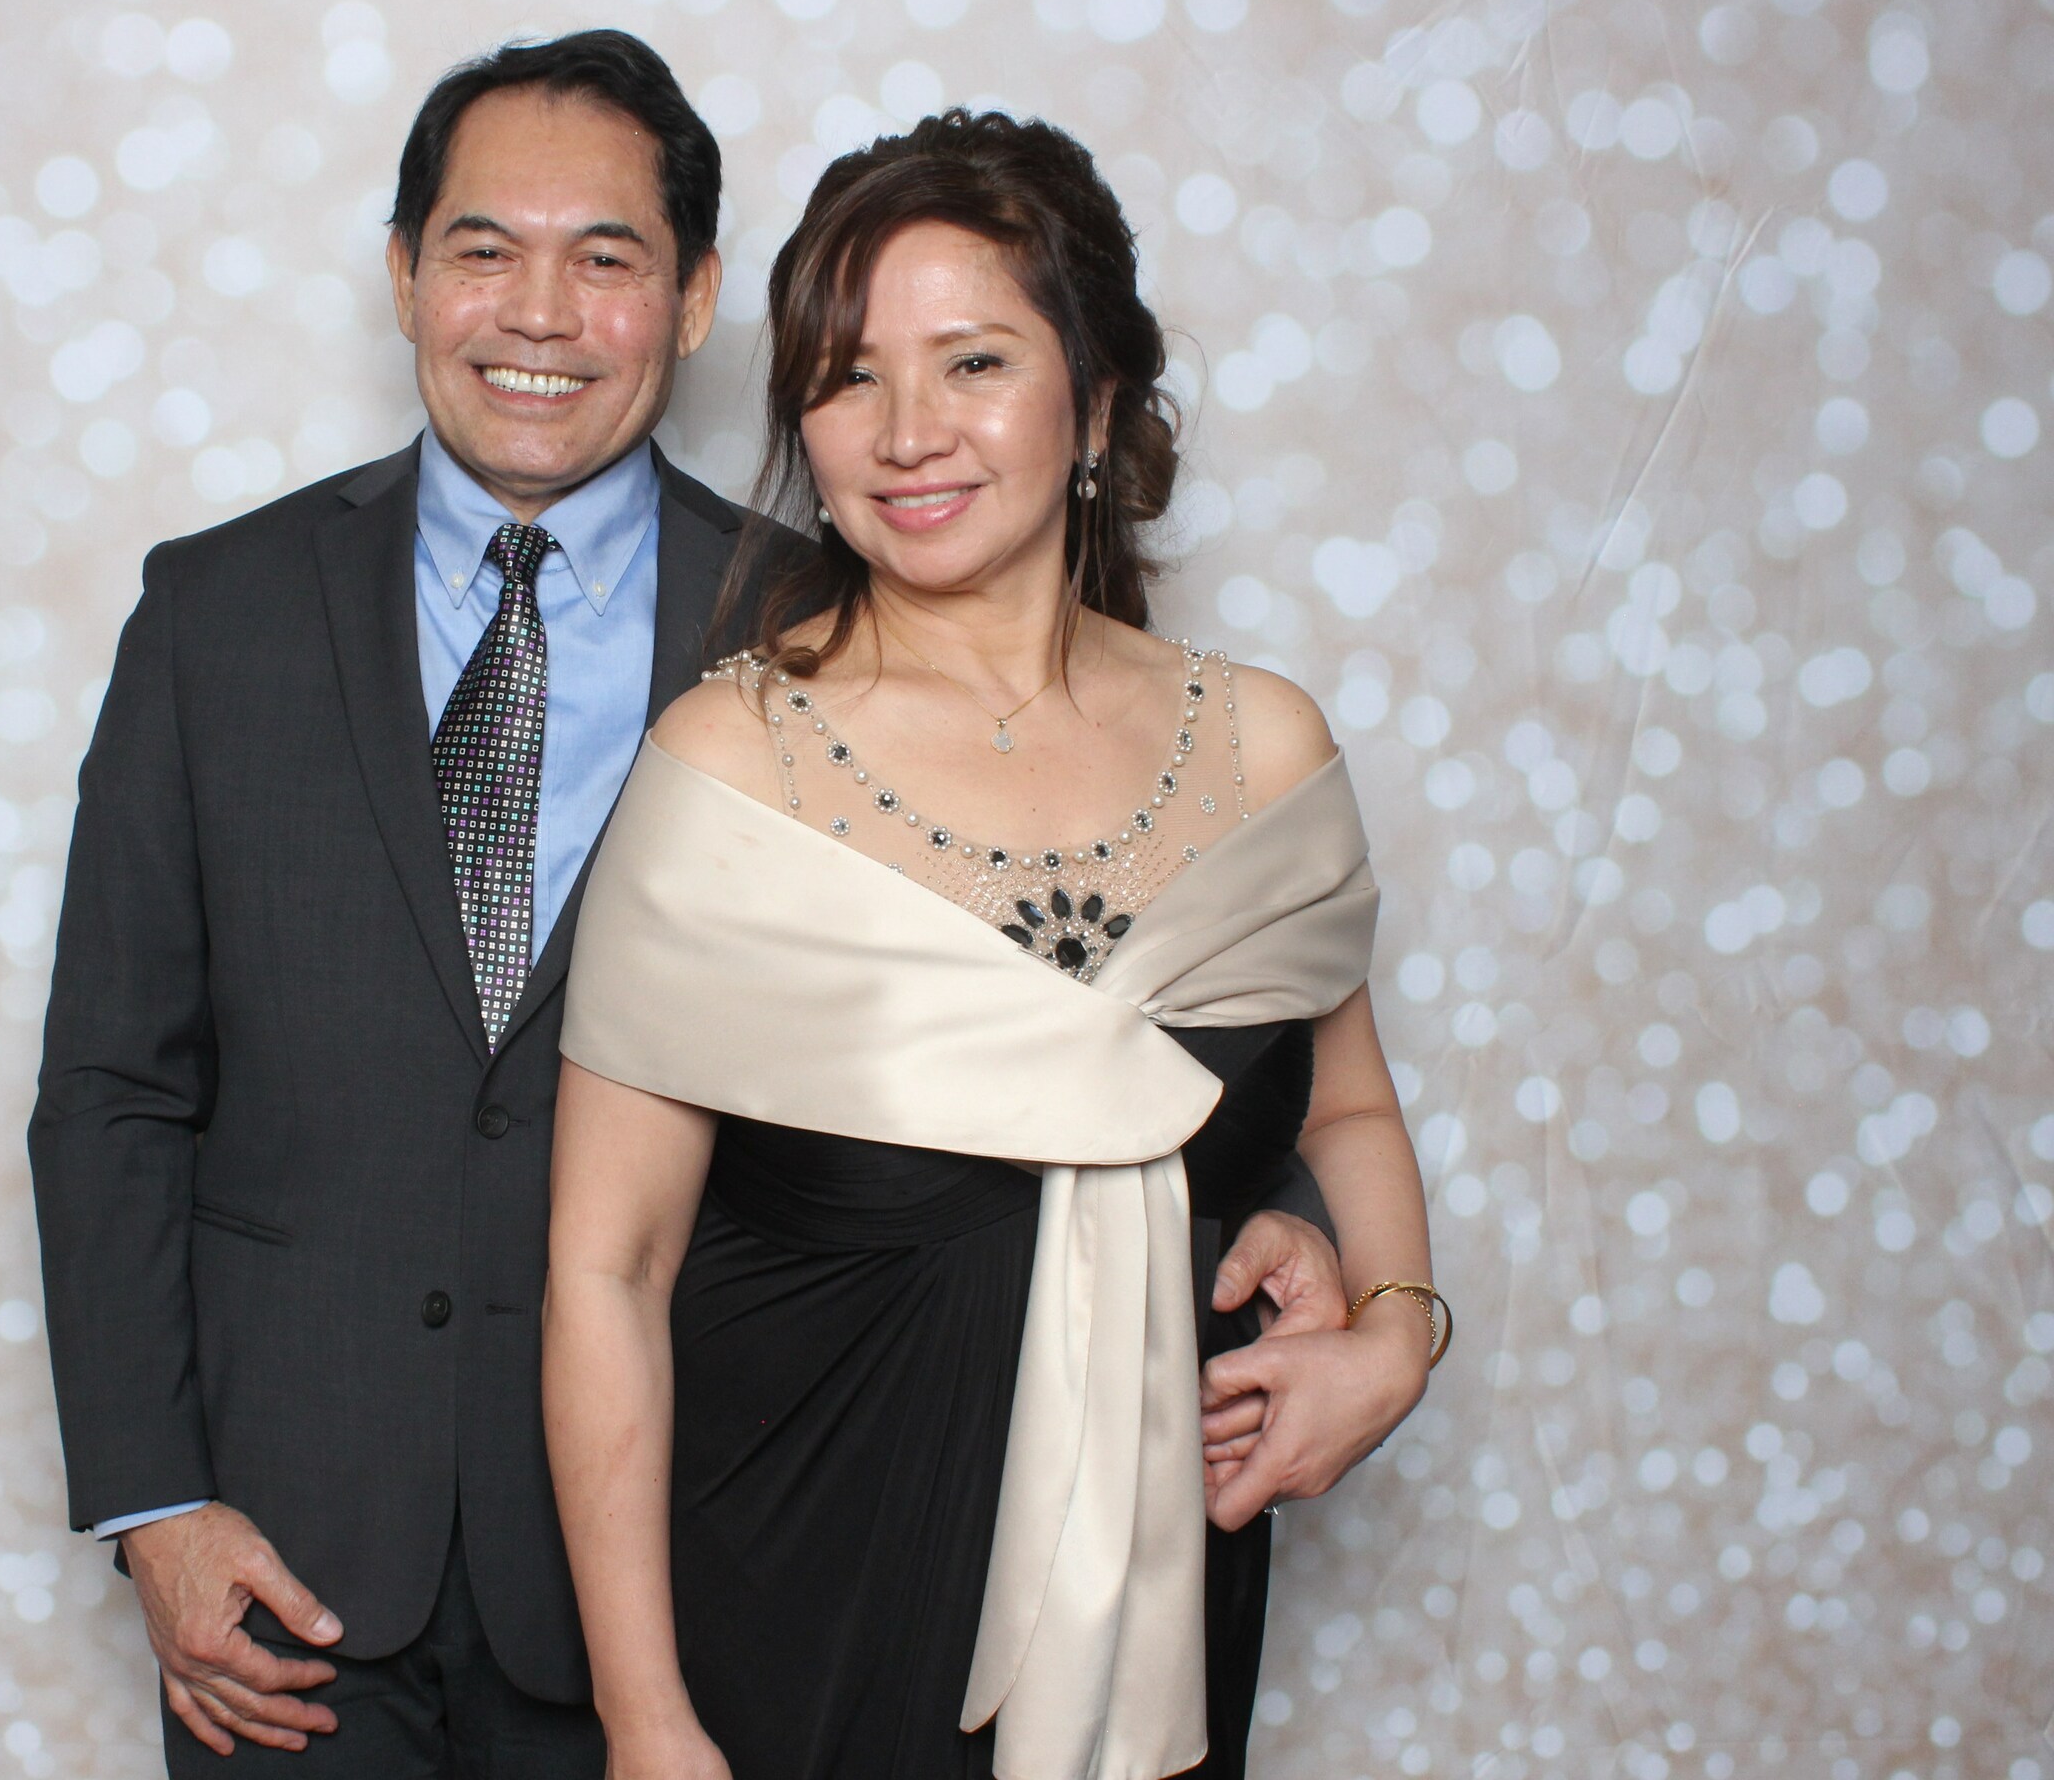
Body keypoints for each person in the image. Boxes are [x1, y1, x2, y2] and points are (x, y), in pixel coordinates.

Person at [30, 31, 1345, 1775]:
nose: (539, 313)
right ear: (404, 274)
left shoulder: (842, 619)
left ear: (699, 295)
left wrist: (1292, 1213)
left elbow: (1071, 984)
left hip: (712, 1545)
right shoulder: (217, 616)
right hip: (291, 1549)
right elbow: (115, 1085)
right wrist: (156, 1502)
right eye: (484, 249)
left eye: (607, 258)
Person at [543, 111, 1447, 1780]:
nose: (907, 434)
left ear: (1094, 401)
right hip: (792, 1611)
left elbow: (1343, 1106)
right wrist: (643, 1716)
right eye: (848, 378)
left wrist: (1397, 1333)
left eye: (973, 362)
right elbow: (611, 1271)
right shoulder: (731, 770)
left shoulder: (1264, 752)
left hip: (1165, 1592)